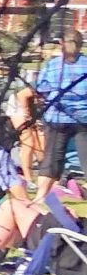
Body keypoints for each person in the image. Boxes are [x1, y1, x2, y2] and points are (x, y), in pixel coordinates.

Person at [36, 27, 87, 178]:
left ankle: (41, 196)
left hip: (57, 117)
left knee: (51, 161)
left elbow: (41, 88)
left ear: (61, 43)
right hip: (83, 118)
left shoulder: (52, 65)